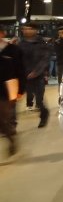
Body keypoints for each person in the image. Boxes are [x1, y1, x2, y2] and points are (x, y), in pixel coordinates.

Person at [18, 23, 50, 128]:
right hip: (23, 76)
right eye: (25, 29)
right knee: (15, 100)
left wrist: (36, 72)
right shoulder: (21, 43)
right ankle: (10, 124)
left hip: (37, 77)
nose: (26, 31)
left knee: (39, 100)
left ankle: (44, 115)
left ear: (35, 30)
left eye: (29, 29)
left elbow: (44, 59)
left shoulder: (41, 43)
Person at [0, 25, 25, 156]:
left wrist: (21, 89)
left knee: (3, 119)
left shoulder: (13, 50)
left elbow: (21, 70)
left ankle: (11, 138)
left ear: (2, 34)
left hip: (7, 90)